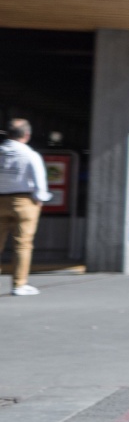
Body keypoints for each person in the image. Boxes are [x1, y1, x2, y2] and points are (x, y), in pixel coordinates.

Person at [0, 119, 46, 297]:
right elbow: (39, 182)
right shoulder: (30, 154)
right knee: (23, 244)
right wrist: (39, 198)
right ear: (27, 135)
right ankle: (19, 285)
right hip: (24, 201)